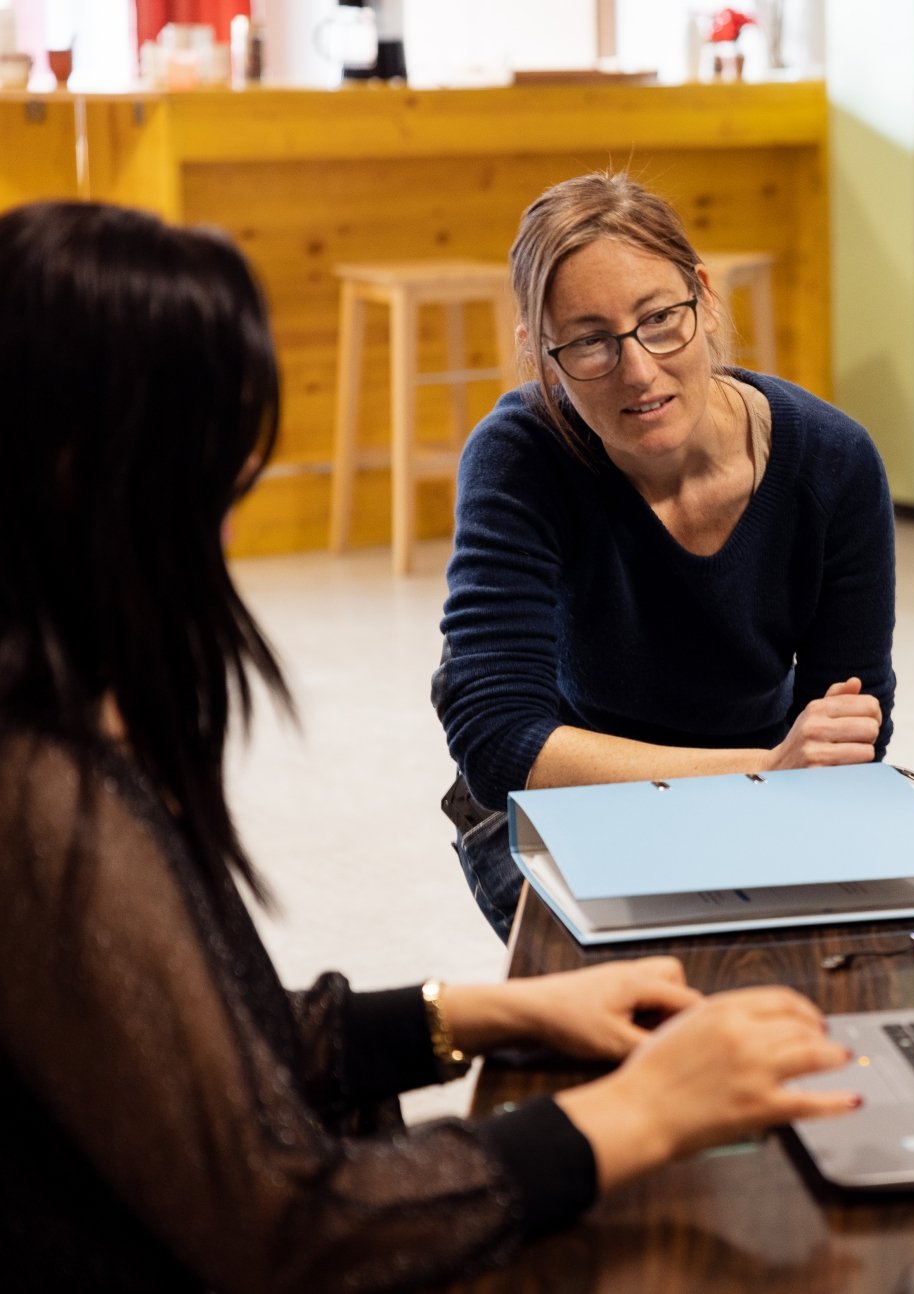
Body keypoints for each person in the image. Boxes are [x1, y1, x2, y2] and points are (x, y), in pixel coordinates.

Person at [0, 200, 858, 1291]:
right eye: (210, 467)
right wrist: (636, 1111)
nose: (230, 510)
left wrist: (485, 1008)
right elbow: (285, 1224)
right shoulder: (40, 796)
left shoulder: (66, 732)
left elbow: (217, 1040)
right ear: (86, 474)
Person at [436, 172, 897, 939]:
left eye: (659, 320)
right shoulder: (521, 456)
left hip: (761, 784)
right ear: (539, 353)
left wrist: (785, 775)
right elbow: (496, 736)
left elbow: (851, 727)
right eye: (588, 341)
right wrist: (762, 772)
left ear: (705, 299)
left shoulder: (834, 460)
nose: (639, 370)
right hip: (562, 799)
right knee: (642, 1000)